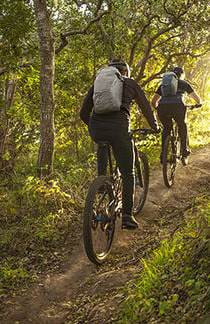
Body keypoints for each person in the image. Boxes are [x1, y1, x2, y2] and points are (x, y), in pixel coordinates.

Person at [80, 59, 160, 230]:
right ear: (125, 72)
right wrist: (155, 127)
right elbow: (146, 107)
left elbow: (83, 112)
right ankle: (127, 216)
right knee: (128, 172)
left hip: (96, 127)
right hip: (119, 128)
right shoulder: (130, 83)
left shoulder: (98, 85)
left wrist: (97, 128)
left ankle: (101, 185)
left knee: (103, 145)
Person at [151, 67, 201, 162]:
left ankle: (163, 153)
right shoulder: (183, 83)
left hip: (162, 108)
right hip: (178, 107)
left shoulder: (163, 84)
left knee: (166, 128)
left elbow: (153, 101)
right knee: (182, 125)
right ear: (181, 75)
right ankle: (184, 150)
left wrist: (158, 108)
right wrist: (198, 104)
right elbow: (197, 99)